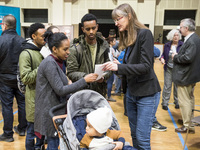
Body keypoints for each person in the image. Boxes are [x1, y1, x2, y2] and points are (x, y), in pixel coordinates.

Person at [102, 3, 161, 149]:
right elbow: (132, 65)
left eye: (118, 19)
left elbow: (146, 66)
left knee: (142, 139)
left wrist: (120, 66)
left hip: (146, 93)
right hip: (131, 93)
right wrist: (118, 65)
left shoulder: (144, 34)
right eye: (114, 20)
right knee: (134, 136)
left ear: (129, 16)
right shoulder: (129, 36)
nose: (116, 23)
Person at [34, 32, 98, 150]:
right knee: (53, 144)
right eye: (65, 49)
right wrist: (84, 80)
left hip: (54, 109)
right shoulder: (49, 63)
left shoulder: (56, 62)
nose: (68, 52)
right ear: (54, 49)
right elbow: (60, 90)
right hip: (50, 111)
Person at [67, 13, 111, 97]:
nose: (91, 31)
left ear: (97, 27)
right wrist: (86, 77)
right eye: (88, 29)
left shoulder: (104, 46)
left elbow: (109, 67)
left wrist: (103, 77)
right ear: (83, 29)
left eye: (93, 28)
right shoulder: (75, 48)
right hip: (82, 93)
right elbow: (71, 72)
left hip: (99, 92)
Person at [19, 23, 46, 150]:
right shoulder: (26, 54)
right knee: (31, 132)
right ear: (34, 36)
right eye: (42, 36)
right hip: (33, 101)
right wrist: (42, 67)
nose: (45, 38)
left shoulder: (42, 51)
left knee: (42, 133)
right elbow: (26, 78)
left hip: (44, 100)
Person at [0, 15, 27, 142]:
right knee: (22, 104)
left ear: (4, 25)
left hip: (4, 79)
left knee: (7, 106)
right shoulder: (22, 41)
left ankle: (8, 134)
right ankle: (22, 129)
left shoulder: (0, 40)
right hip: (20, 78)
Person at [172, 18, 200, 133]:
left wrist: (175, 56)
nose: (180, 29)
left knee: (185, 101)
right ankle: (188, 121)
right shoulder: (194, 39)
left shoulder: (192, 40)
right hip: (190, 75)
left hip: (185, 76)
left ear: (186, 28)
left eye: (181, 27)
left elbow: (188, 58)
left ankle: (187, 125)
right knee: (190, 99)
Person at [160, 29, 183, 110]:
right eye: (174, 35)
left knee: (177, 86)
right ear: (171, 36)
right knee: (167, 86)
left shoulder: (182, 45)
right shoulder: (167, 45)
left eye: (177, 35)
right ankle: (165, 102)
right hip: (168, 68)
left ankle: (177, 102)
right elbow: (163, 55)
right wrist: (162, 58)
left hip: (178, 69)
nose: (176, 37)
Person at [106, 37, 118, 102]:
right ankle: (109, 96)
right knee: (110, 82)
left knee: (107, 82)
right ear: (110, 42)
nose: (115, 42)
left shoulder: (106, 48)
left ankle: (106, 95)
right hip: (110, 67)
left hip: (106, 67)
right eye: (114, 41)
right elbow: (113, 57)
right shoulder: (111, 49)